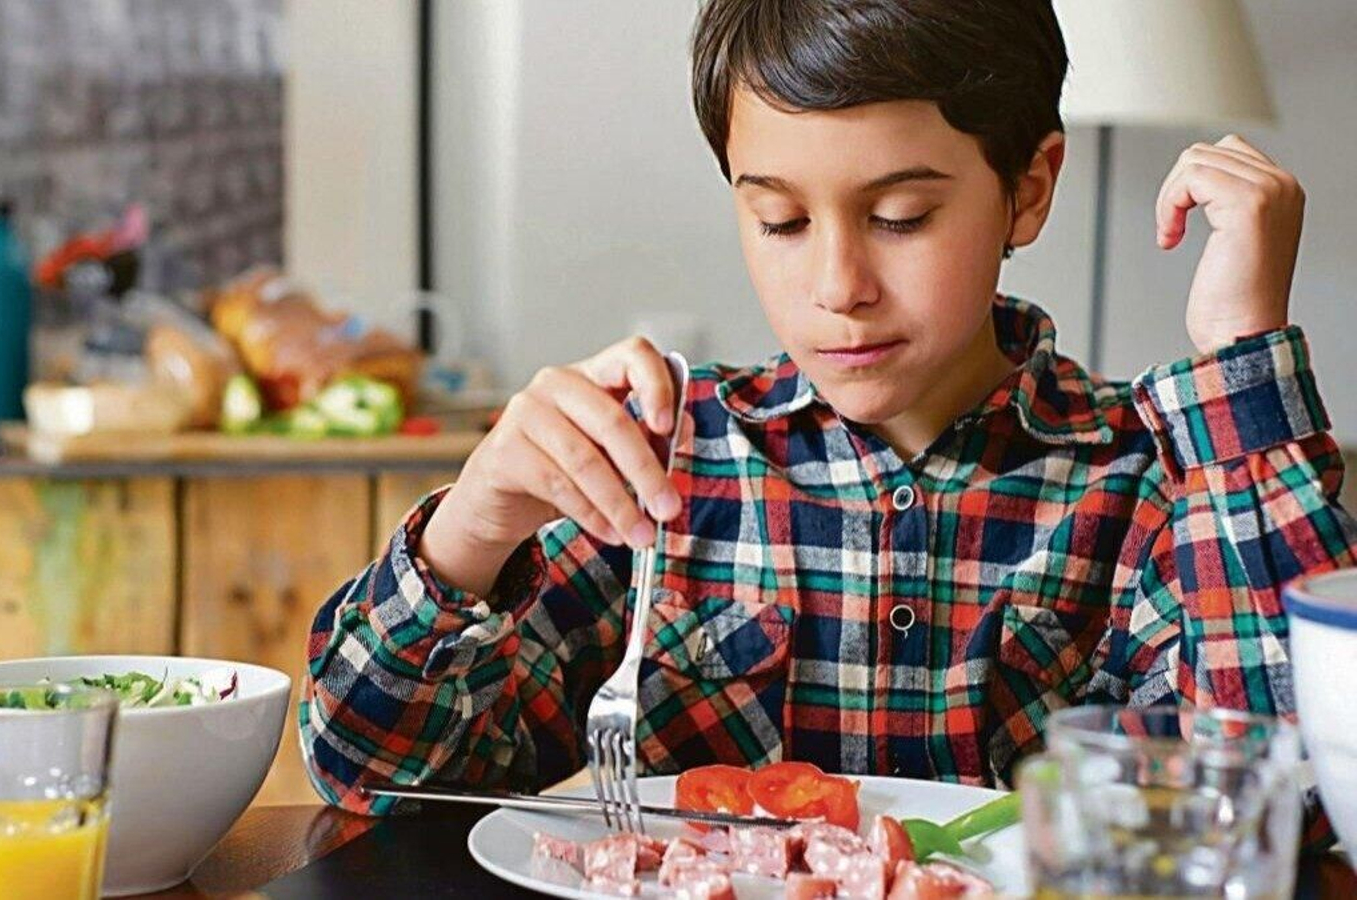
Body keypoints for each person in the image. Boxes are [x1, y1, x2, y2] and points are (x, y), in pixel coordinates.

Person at [298, 0, 1356, 839]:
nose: (836, 284)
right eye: (780, 219)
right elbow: (372, 772)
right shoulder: (668, 459)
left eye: (901, 217)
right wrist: (473, 530)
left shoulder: (1159, 475)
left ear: (1027, 189)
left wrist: (1238, 357)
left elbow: (1290, 802)